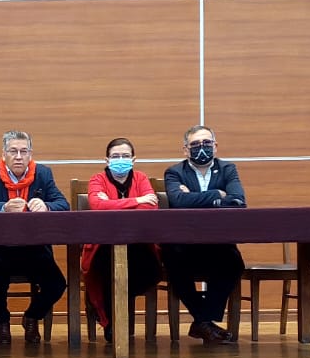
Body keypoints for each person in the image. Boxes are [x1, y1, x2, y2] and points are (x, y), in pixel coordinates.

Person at [0, 130, 69, 345]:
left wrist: (46, 206)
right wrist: (2, 207)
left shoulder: (43, 174)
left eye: (24, 151)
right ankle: (2, 322)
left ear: (30, 154)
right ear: (4, 154)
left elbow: (63, 204)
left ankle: (32, 316)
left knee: (57, 284)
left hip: (33, 249)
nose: (19, 157)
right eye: (13, 151)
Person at [162, 124, 246, 345]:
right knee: (171, 258)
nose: (202, 148)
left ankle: (202, 321)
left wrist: (194, 197)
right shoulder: (174, 172)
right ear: (185, 149)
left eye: (207, 143)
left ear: (215, 146)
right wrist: (217, 195)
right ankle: (205, 322)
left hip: (218, 243)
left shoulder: (228, 169)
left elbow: (238, 201)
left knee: (234, 263)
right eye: (195, 144)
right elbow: (178, 202)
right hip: (185, 245)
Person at [80, 137, 163, 342]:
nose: (120, 160)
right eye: (115, 156)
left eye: (125, 156)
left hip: (139, 244)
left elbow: (151, 207)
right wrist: (137, 200)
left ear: (133, 159)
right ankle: (113, 325)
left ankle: (119, 316)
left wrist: (112, 204)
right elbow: (97, 206)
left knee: (145, 271)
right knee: (109, 270)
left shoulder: (141, 178)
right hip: (103, 246)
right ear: (107, 160)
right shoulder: (97, 179)